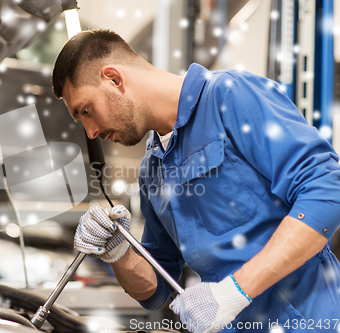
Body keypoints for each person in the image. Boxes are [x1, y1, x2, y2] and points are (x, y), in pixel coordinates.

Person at [52, 29, 340, 332]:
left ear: (113, 78)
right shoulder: (152, 170)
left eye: (86, 110)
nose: (90, 133)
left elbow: (328, 189)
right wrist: (119, 253)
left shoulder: (229, 96)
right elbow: (158, 288)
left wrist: (236, 290)